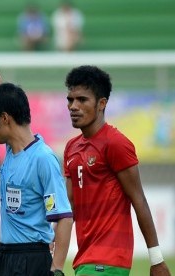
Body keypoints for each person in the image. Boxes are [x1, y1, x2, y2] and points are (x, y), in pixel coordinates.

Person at [0, 7, 73, 276]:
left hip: (33, 259)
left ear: (5, 119)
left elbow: (64, 217)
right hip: (5, 256)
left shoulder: (42, 158)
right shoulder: (13, 149)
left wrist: (56, 269)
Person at [63, 66, 172, 276]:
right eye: (70, 100)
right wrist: (51, 243)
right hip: (84, 261)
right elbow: (70, 207)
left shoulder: (116, 143)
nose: (73, 106)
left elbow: (138, 198)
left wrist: (156, 260)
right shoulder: (71, 148)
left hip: (108, 260)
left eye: (82, 100)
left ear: (102, 103)